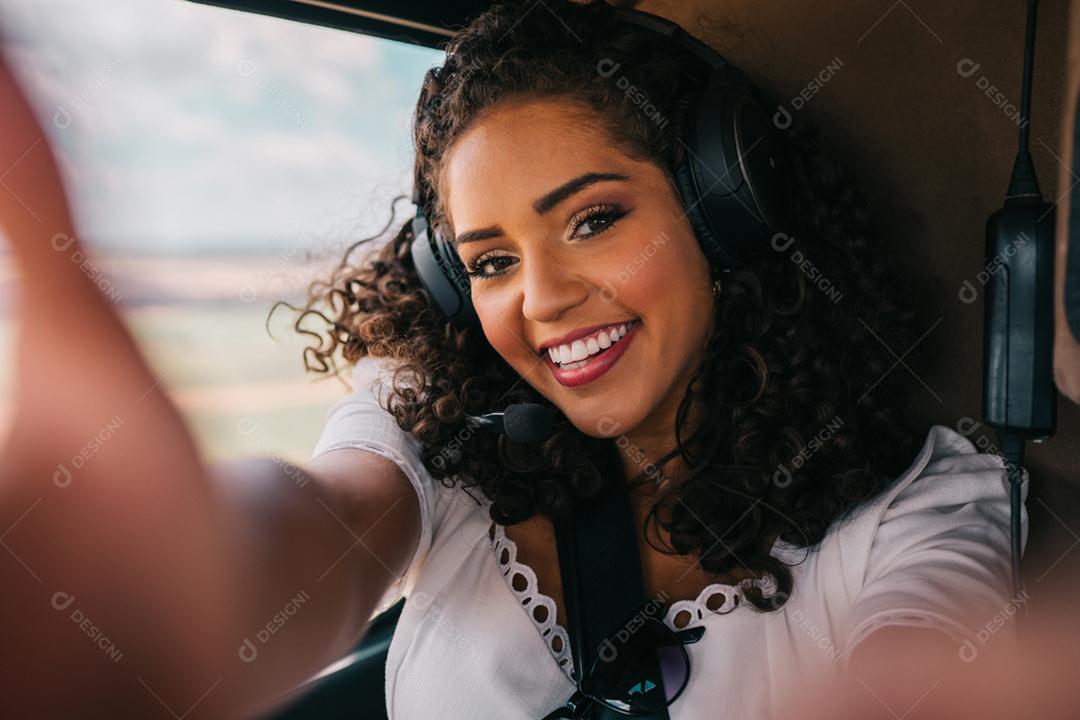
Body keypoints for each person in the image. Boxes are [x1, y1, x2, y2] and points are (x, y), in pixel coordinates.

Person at [0, 1, 1072, 718]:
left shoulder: (919, 504)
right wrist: (164, 571)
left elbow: (915, 662)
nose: (542, 300)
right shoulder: (444, 440)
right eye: (491, 260)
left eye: (595, 219)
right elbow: (316, 522)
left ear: (723, 209)